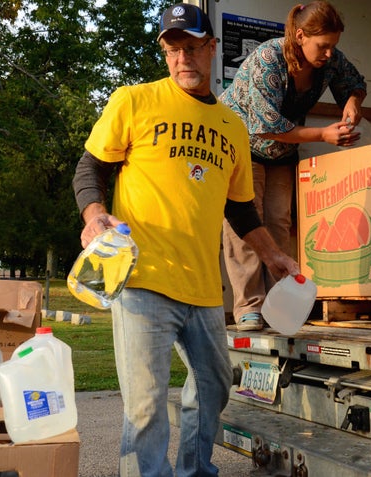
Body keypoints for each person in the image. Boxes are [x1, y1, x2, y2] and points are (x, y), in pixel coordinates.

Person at [72, 4, 299, 476]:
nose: (182, 59)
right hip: (142, 280)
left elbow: (240, 209)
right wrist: (94, 215)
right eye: (173, 49)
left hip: (201, 290)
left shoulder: (233, 128)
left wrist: (273, 254)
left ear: (212, 49)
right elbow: (90, 167)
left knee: (214, 387)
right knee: (146, 405)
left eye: (192, 48)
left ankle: (194, 471)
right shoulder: (133, 101)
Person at [220, 1, 367, 331]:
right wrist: (323, 135)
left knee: (280, 222)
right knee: (245, 224)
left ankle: (280, 303)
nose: (329, 53)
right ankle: (249, 306)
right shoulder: (268, 59)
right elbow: (265, 124)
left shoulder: (329, 61)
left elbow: (354, 81)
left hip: (282, 152)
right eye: (323, 46)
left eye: (333, 46)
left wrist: (352, 101)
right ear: (300, 36)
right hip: (244, 145)